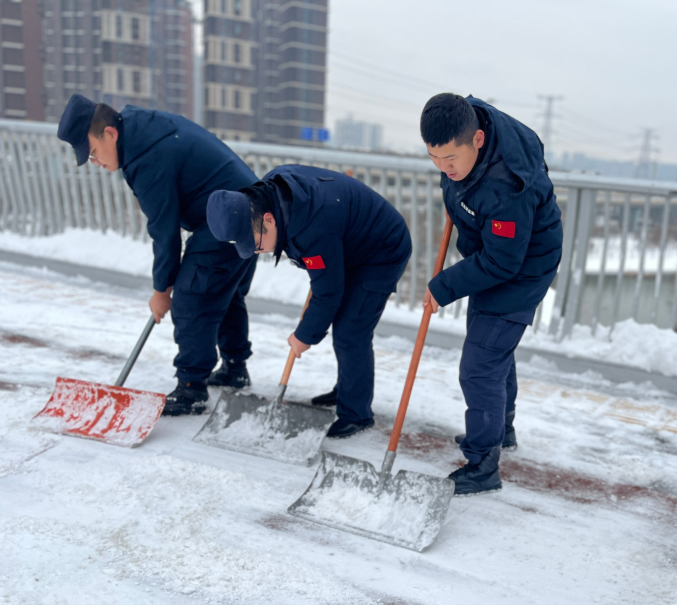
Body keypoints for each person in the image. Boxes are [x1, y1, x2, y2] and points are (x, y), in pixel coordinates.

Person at [56, 94, 259, 415]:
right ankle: (235, 369)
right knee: (221, 290)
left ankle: (191, 388)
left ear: (109, 133)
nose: (95, 163)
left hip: (228, 216)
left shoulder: (147, 156)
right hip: (248, 208)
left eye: (93, 153)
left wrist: (162, 290)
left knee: (193, 296)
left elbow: (164, 230)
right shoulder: (140, 128)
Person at [420, 93, 562, 496]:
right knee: (492, 348)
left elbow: (502, 263)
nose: (444, 168)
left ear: (478, 140)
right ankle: (500, 429)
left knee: (479, 366)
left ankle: (482, 465)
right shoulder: (468, 121)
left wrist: (443, 286)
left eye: (451, 159)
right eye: (434, 159)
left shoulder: (506, 188)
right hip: (493, 254)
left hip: (522, 267)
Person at [206, 165, 412, 438]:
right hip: (344, 242)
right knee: (346, 326)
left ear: (268, 219)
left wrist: (304, 336)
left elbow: (328, 292)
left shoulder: (312, 228)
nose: (258, 251)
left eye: (256, 243)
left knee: (351, 331)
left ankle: (356, 414)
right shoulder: (269, 197)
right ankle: (347, 389)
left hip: (381, 249)